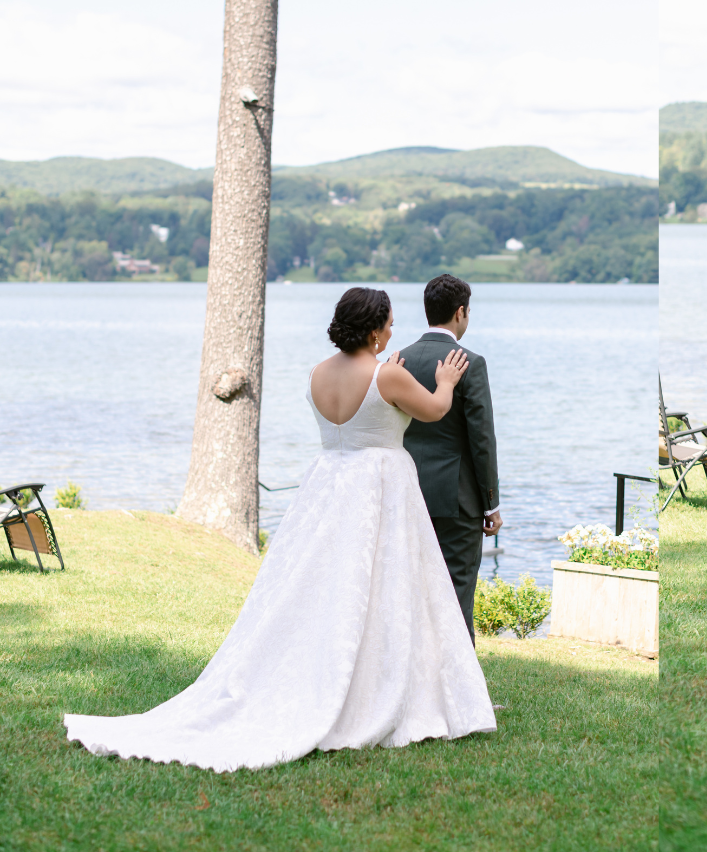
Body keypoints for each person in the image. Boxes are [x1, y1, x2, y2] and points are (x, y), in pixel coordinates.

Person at [65, 287, 496, 772]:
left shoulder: (318, 373)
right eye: (390, 323)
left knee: (320, 585)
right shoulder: (387, 372)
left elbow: (359, 415)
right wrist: (444, 380)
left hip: (329, 485)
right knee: (381, 587)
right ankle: (378, 687)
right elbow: (434, 410)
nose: (393, 330)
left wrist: (388, 369)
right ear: (374, 328)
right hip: (380, 489)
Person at [401, 273, 502, 638]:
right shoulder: (469, 363)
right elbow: (482, 440)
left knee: (412, 592)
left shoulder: (399, 360)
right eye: (469, 310)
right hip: (458, 501)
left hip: (407, 493)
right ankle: (460, 694)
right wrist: (491, 503)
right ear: (460, 312)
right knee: (458, 594)